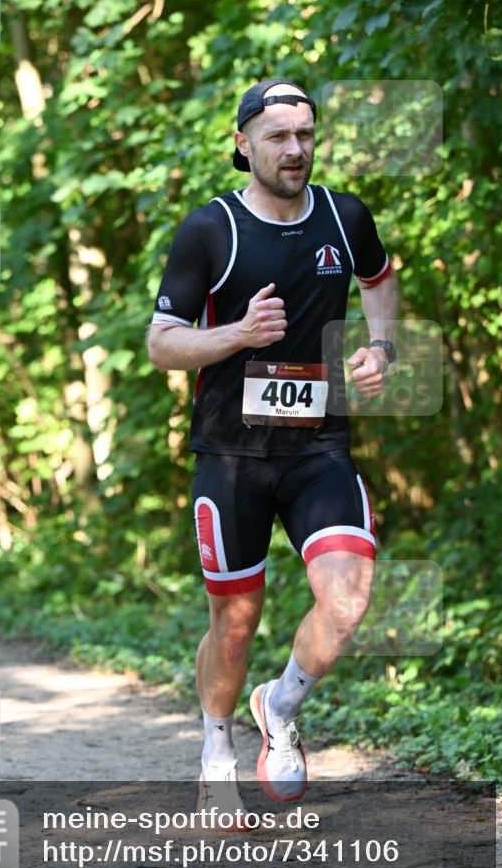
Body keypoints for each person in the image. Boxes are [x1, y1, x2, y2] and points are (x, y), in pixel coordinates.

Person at [148, 79, 398, 824]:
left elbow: (380, 281)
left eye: (305, 135)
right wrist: (236, 336)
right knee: (234, 620)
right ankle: (215, 750)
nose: (294, 149)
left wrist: (380, 344)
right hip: (229, 455)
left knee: (347, 599)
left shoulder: (343, 215)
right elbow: (162, 343)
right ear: (242, 143)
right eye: (277, 136)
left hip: (319, 446)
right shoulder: (209, 231)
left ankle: (280, 705)